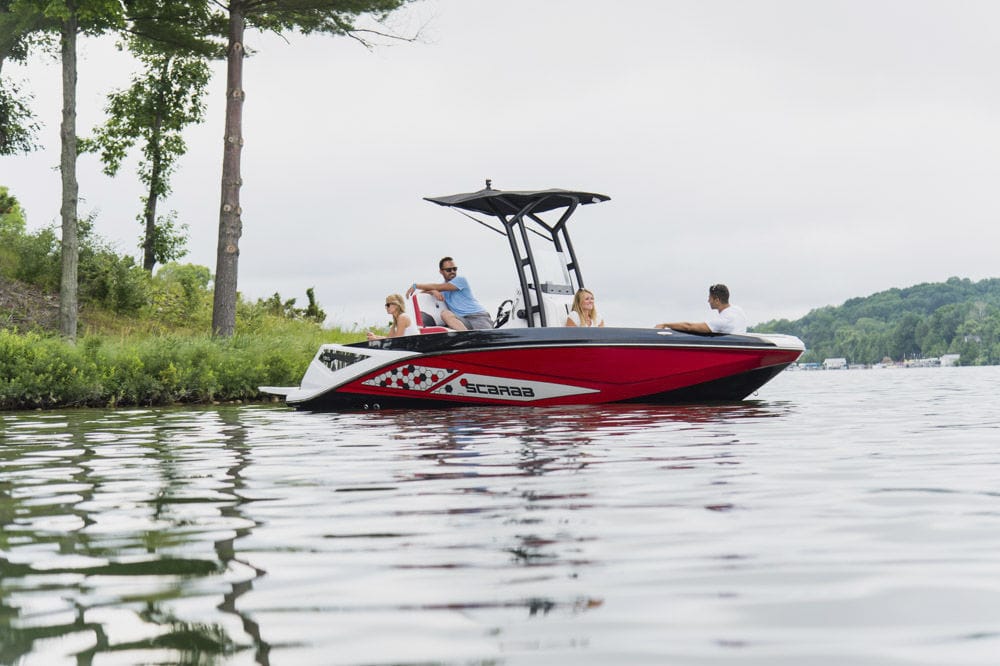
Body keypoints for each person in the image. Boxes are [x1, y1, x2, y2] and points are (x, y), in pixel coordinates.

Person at [405, 257, 493, 330]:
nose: (452, 271)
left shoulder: (460, 280)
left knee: (487, 339)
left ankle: (468, 338)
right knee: (445, 314)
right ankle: (466, 338)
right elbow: (424, 292)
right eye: (448, 270)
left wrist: (417, 285)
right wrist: (433, 291)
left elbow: (438, 287)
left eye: (454, 269)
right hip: (462, 321)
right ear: (441, 271)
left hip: (478, 317)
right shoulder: (443, 288)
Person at [655, 283, 747, 334]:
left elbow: (689, 327)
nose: (708, 301)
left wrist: (665, 325)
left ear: (717, 300)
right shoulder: (738, 310)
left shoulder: (723, 320)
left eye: (709, 298)